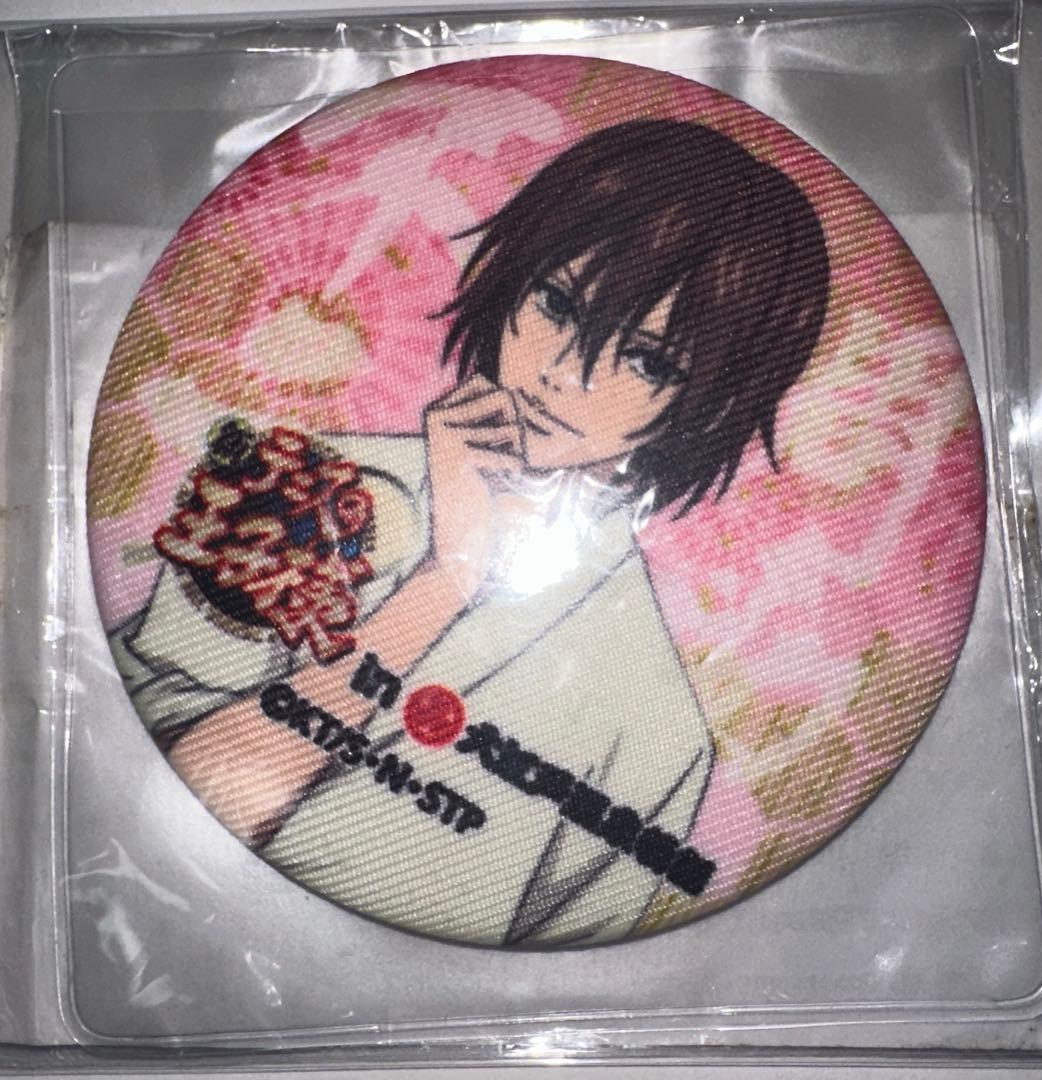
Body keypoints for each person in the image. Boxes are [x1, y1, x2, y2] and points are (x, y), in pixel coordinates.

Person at [109, 119, 830, 946]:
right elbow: (167, 794)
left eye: (645, 361)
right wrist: (444, 581)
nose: (563, 375)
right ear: (512, 278)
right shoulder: (297, 483)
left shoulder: (654, 731)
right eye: (557, 305)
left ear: (705, 404)